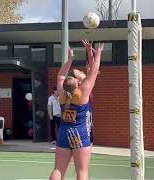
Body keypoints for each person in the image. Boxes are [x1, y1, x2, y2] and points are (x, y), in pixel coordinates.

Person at [49, 41, 104, 180]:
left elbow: (60, 76)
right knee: (82, 172)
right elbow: (93, 72)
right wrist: (98, 53)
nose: (83, 74)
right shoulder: (82, 94)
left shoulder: (62, 95)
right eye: (80, 74)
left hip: (64, 132)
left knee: (58, 170)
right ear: (77, 82)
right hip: (79, 133)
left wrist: (71, 58)